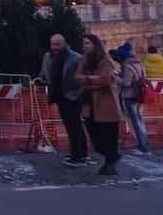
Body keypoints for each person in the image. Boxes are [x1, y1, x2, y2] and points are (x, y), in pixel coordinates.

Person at [36, 34, 89, 166]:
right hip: (59, 96)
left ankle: (78, 155)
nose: (54, 47)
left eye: (57, 44)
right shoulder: (48, 57)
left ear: (64, 44)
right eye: (52, 44)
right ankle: (81, 152)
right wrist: (41, 81)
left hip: (72, 95)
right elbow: (44, 75)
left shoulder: (75, 58)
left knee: (73, 126)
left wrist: (79, 93)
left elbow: (83, 77)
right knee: (72, 125)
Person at [75, 34, 120, 175]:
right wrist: (92, 78)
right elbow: (77, 78)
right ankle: (111, 158)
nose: (85, 46)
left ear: (95, 44)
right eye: (84, 44)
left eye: (87, 43)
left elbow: (105, 80)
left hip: (106, 104)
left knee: (108, 135)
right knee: (93, 134)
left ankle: (110, 162)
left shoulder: (104, 61)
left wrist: (88, 80)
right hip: (89, 103)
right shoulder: (83, 61)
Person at [115, 42, 151, 155]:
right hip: (140, 95)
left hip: (130, 95)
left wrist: (115, 77)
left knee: (135, 122)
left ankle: (143, 147)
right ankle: (145, 143)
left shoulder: (127, 65)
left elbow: (126, 83)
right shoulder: (138, 62)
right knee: (140, 121)